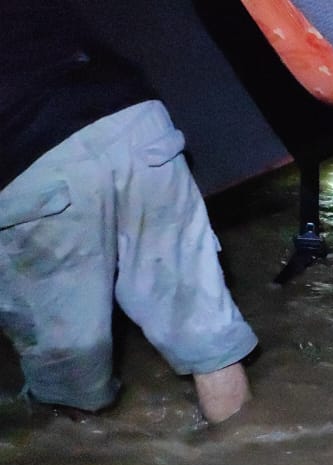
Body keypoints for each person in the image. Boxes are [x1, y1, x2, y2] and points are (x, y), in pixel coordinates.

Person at [0, 0, 257, 423]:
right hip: (133, 119)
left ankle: (98, 464)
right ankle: (254, 457)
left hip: (31, 155)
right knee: (205, 331)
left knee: (69, 376)